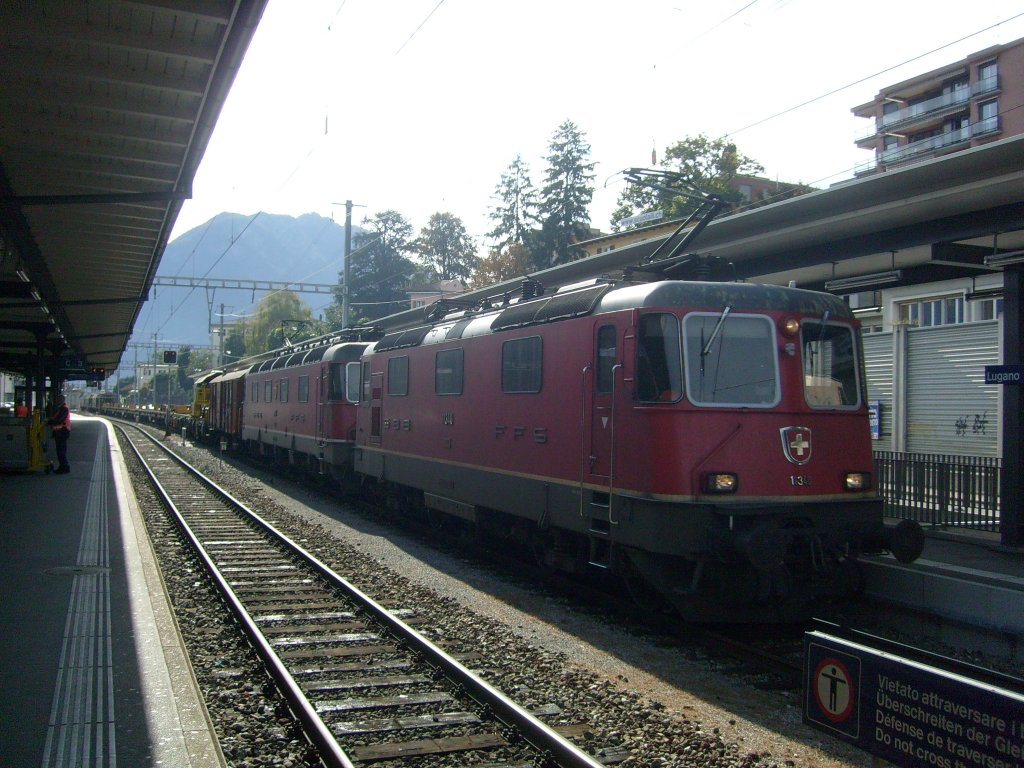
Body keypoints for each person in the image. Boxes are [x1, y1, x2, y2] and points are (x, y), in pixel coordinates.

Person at [46, 396, 71, 474]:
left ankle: (64, 467)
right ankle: (63, 466)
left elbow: (60, 420)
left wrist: (50, 422)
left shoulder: (64, 408)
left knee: (61, 451)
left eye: (58, 399)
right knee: (61, 450)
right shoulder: (61, 408)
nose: (56, 401)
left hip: (62, 432)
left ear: (61, 400)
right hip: (61, 432)